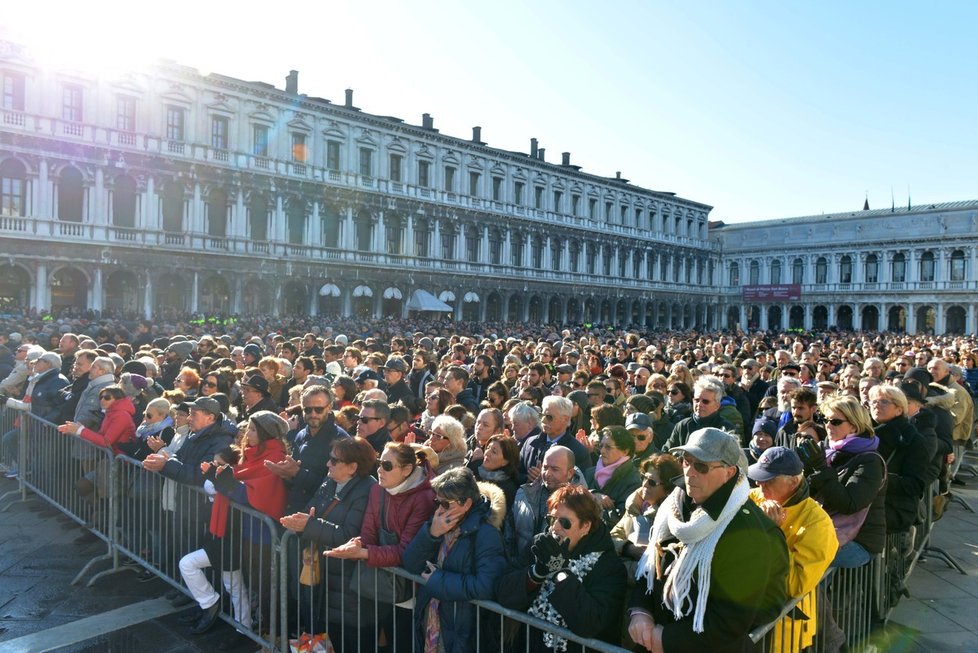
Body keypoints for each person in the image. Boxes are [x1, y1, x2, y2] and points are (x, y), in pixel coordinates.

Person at [629, 428, 789, 653]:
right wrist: (640, 612)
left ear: (729, 472)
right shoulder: (674, 506)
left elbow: (732, 619)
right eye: (686, 461)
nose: (690, 472)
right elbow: (651, 569)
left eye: (701, 466)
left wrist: (666, 639)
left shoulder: (751, 533)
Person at [179, 411, 289, 640]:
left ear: (266, 433)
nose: (247, 434)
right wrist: (221, 479)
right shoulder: (252, 455)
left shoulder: (275, 456)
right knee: (243, 584)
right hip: (240, 530)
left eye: (253, 430)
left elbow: (260, 495)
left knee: (262, 587)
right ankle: (246, 627)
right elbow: (238, 482)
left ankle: (265, 634)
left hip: (261, 535)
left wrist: (225, 482)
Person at [326, 443, 436, 652]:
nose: (379, 470)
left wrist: (364, 553)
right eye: (379, 463)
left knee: (401, 643)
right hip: (377, 582)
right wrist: (359, 544)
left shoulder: (424, 498)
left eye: (387, 465)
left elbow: (406, 551)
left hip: (407, 588)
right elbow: (369, 531)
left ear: (407, 470)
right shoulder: (377, 490)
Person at [495, 484, 628, 652]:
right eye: (552, 519)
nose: (555, 527)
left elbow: (589, 623)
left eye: (565, 522)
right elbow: (503, 592)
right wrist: (537, 573)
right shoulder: (540, 545)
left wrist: (560, 572)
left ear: (585, 526)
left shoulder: (609, 566)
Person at [280, 437, 377, 650]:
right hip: (325, 578)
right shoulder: (330, 480)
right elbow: (311, 511)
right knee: (332, 637)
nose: (328, 464)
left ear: (353, 467)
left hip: (349, 585)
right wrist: (299, 523)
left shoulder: (368, 490)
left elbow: (350, 535)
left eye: (334, 460)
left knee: (354, 642)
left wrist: (310, 525)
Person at [402, 467, 507, 652]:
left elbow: (487, 585)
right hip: (432, 623)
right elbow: (411, 563)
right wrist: (432, 533)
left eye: (445, 503)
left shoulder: (486, 534)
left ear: (466, 503)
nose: (440, 508)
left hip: (463, 631)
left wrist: (437, 580)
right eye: (437, 502)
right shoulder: (440, 520)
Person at [747, 447, 838, 653]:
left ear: (794, 482)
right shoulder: (753, 498)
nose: (760, 485)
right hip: (746, 616)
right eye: (759, 478)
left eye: (768, 480)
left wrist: (771, 533)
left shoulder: (818, 523)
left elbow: (795, 584)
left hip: (783, 631)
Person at [796, 395, 886, 568]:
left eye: (835, 421)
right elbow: (809, 494)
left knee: (802, 559)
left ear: (854, 425)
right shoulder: (828, 450)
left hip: (859, 540)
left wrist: (821, 468)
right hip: (826, 530)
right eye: (824, 419)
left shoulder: (870, 461)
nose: (827, 426)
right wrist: (806, 468)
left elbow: (850, 504)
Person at [505, 445, 585, 561]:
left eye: (555, 469)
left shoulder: (584, 505)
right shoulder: (523, 494)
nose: (547, 474)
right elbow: (509, 536)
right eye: (545, 467)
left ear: (570, 473)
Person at [610, 453, 682, 579]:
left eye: (652, 482)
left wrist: (617, 569)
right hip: (620, 575)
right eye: (644, 478)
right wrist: (628, 548)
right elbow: (612, 538)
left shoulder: (672, 518)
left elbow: (656, 568)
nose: (644, 485)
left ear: (667, 489)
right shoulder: (635, 506)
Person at [585, 426, 642, 526]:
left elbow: (620, 519)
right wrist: (592, 495)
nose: (602, 451)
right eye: (600, 446)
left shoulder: (633, 481)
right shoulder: (589, 473)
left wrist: (593, 506)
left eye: (608, 447)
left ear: (625, 451)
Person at [471, 434, 520, 509]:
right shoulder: (474, 472)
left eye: (494, 452)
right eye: (487, 448)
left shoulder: (506, 489)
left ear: (505, 462)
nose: (487, 453)